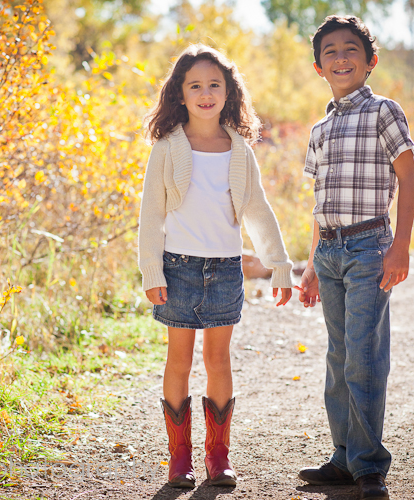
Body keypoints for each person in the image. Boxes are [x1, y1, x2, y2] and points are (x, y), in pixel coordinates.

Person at [138, 44, 294, 489]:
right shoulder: (168, 148)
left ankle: (218, 456)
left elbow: (259, 212)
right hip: (178, 268)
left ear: (229, 92)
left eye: (214, 85)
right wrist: (152, 271)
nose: (205, 93)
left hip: (225, 269)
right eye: (195, 86)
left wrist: (279, 265)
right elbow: (150, 215)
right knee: (179, 360)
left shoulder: (240, 150)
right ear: (180, 95)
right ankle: (179, 458)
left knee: (219, 357)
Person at [295, 15, 414, 500]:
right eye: (330, 52)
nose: (340, 57)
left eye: (351, 50)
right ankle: (343, 457)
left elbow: (407, 179)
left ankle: (370, 467)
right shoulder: (319, 127)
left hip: (371, 247)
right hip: (328, 250)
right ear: (318, 66)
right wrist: (309, 264)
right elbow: (318, 202)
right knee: (338, 356)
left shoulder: (384, 111)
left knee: (363, 359)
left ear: (370, 62)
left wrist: (400, 245)